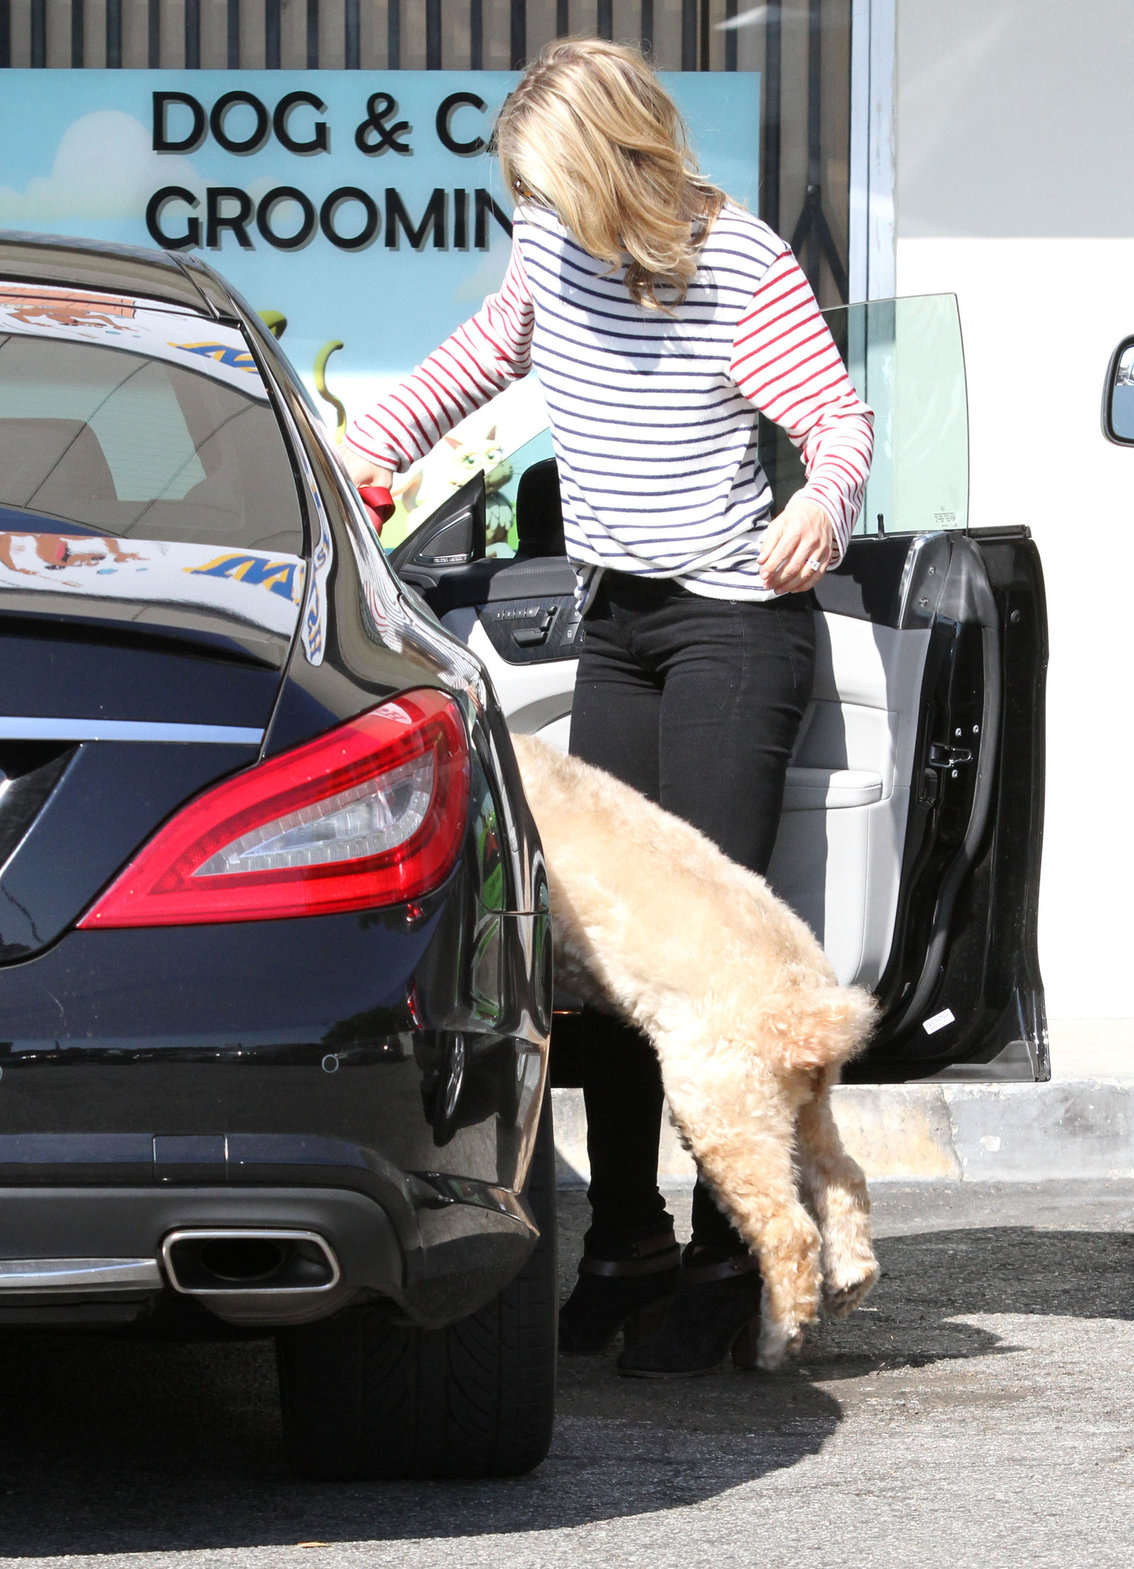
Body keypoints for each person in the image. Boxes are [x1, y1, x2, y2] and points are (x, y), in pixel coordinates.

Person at [342, 37, 874, 1377]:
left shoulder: (738, 264)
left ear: (605, 162)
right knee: (599, 952)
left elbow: (835, 422)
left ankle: (723, 1246)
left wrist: (820, 502)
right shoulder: (548, 251)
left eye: (546, 181)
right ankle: (623, 1234)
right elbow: (471, 361)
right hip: (621, 620)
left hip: (734, 627)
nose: (535, 209)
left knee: (701, 963)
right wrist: (367, 450)